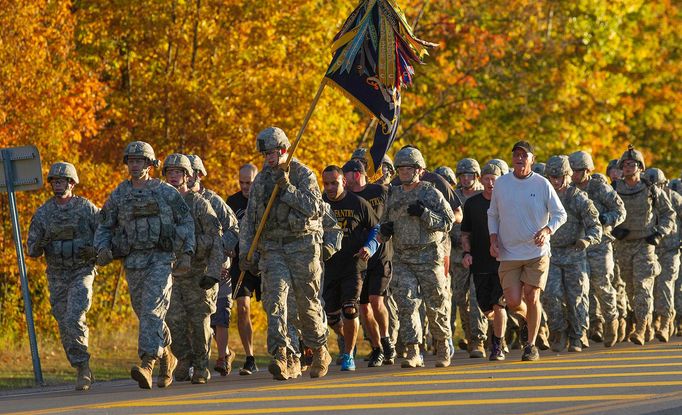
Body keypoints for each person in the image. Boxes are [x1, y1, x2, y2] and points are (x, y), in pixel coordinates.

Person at [94, 141, 195, 389]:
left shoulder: (165, 192)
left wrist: (185, 251)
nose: (135, 165)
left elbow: (186, 222)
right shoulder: (120, 193)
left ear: (150, 164)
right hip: (133, 261)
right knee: (148, 315)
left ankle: (147, 363)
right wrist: (102, 248)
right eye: (131, 160)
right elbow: (105, 224)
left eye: (140, 161)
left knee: (152, 311)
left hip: (160, 260)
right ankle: (167, 356)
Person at [239, 127, 331, 380]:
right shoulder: (261, 180)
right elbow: (251, 219)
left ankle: (319, 349)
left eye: (274, 152)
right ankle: (282, 354)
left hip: (302, 245)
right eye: (266, 153)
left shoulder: (302, 173)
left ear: (284, 150)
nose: (269, 157)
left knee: (307, 305)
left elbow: (315, 208)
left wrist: (288, 188)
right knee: (276, 301)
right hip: (273, 248)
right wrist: (247, 252)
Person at [487, 140, 567, 361]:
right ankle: (528, 319)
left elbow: (560, 214)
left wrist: (547, 230)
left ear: (532, 159)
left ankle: (530, 345)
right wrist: (493, 239)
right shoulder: (502, 184)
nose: (520, 158)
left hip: (537, 252)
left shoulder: (542, 184)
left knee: (532, 296)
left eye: (524, 155)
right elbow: (492, 214)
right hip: (509, 252)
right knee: (513, 302)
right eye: (516, 155)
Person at [380, 146, 455, 368]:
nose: (403, 171)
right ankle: (413, 350)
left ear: (419, 170)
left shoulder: (430, 193)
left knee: (436, 303)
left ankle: (442, 346)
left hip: (429, 256)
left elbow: (448, 222)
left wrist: (425, 214)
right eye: (400, 168)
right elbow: (385, 220)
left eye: (408, 168)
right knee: (406, 304)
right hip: (402, 257)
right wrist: (385, 230)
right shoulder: (393, 194)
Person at [27, 162, 99, 391]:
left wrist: (96, 251)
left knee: (74, 317)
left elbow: (106, 233)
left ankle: (82, 367)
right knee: (63, 320)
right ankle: (81, 365)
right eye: (55, 181)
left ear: (72, 183)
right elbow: (32, 250)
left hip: (81, 271)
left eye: (62, 181)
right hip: (57, 274)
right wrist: (42, 242)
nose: (58, 185)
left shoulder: (86, 208)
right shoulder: (44, 213)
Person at [162, 154, 224, 384]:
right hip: (171, 274)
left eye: (178, 172)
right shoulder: (162, 204)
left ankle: (200, 366)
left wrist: (213, 272)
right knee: (174, 321)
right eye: (170, 172)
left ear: (188, 176)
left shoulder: (199, 204)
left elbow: (216, 240)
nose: (174, 176)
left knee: (199, 323)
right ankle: (184, 360)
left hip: (198, 274)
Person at [611, 145, 674, 345]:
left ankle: (641, 327)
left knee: (643, 285)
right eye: (625, 164)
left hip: (645, 244)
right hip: (623, 244)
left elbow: (668, 214)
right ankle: (641, 321)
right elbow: (601, 214)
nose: (628, 167)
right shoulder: (614, 189)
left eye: (632, 164)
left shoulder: (650, 189)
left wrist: (659, 233)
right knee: (630, 288)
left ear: (640, 167)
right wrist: (612, 229)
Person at [321, 165, 380, 371]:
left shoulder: (358, 203)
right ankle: (347, 338)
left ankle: (348, 355)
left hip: (354, 264)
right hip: (327, 266)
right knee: (331, 316)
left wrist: (370, 246)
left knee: (351, 308)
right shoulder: (319, 203)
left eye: (334, 183)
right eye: (326, 183)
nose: (329, 187)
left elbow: (376, 227)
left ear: (344, 182)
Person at [186, 154, 240, 376]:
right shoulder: (176, 200)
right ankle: (202, 358)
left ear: (199, 175)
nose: (188, 177)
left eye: (191, 173)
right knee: (192, 318)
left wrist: (221, 255)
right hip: (187, 269)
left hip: (217, 268)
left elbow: (233, 229)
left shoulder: (213, 200)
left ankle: (220, 358)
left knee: (219, 315)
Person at [543, 155, 601, 353]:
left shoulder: (578, 198)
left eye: (559, 176)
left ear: (567, 175)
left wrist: (588, 239)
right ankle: (558, 332)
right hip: (550, 254)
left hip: (574, 253)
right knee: (551, 295)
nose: (555, 181)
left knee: (577, 296)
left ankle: (578, 334)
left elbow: (595, 225)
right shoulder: (543, 196)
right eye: (551, 177)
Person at [569, 151, 626, 347]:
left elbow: (620, 211)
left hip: (600, 244)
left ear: (587, 170)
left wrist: (606, 219)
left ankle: (611, 320)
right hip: (577, 245)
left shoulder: (600, 187)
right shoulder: (569, 189)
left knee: (602, 285)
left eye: (576, 171)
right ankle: (593, 325)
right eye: (571, 171)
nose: (573, 175)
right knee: (581, 287)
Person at [343, 160, 396, 366]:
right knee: (363, 307)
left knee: (376, 300)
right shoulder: (345, 197)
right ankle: (377, 348)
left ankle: (386, 339)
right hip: (358, 260)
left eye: (345, 175)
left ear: (356, 175)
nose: (343, 181)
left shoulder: (381, 191)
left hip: (381, 254)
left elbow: (394, 213)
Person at [460, 162, 508, 360]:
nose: (490, 182)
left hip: (502, 261)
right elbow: (465, 233)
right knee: (485, 306)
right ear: (481, 180)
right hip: (479, 263)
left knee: (499, 305)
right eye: (487, 178)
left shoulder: (506, 201)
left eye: (494, 179)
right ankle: (502, 329)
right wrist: (466, 253)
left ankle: (497, 344)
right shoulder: (472, 203)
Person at [226, 163, 261, 375]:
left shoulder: (267, 198)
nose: (246, 186)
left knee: (275, 307)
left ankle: (285, 351)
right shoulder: (233, 201)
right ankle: (250, 357)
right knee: (243, 307)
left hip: (266, 260)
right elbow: (228, 229)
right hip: (242, 263)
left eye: (249, 182)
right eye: (242, 182)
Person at [451, 158, 488, 358]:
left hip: (480, 254)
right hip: (457, 257)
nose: (466, 179)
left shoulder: (485, 195)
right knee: (460, 299)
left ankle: (478, 339)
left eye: (470, 175)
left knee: (477, 297)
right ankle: (469, 333)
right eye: (462, 175)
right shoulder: (453, 197)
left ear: (476, 176)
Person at [643, 168, 681, 342]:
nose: (656, 188)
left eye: (658, 185)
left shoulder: (674, 198)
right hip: (649, 249)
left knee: (664, 285)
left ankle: (665, 322)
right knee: (647, 286)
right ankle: (650, 323)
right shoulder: (644, 197)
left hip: (670, 249)